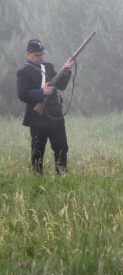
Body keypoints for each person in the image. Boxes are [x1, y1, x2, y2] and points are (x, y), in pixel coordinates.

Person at [17, 39, 75, 174]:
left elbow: (61, 85)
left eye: (41, 54)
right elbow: (22, 94)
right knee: (37, 151)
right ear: (28, 54)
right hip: (37, 117)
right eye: (37, 55)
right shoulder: (24, 72)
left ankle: (62, 175)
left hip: (55, 115)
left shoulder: (47, 67)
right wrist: (42, 92)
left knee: (61, 147)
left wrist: (67, 71)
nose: (40, 57)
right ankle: (38, 178)